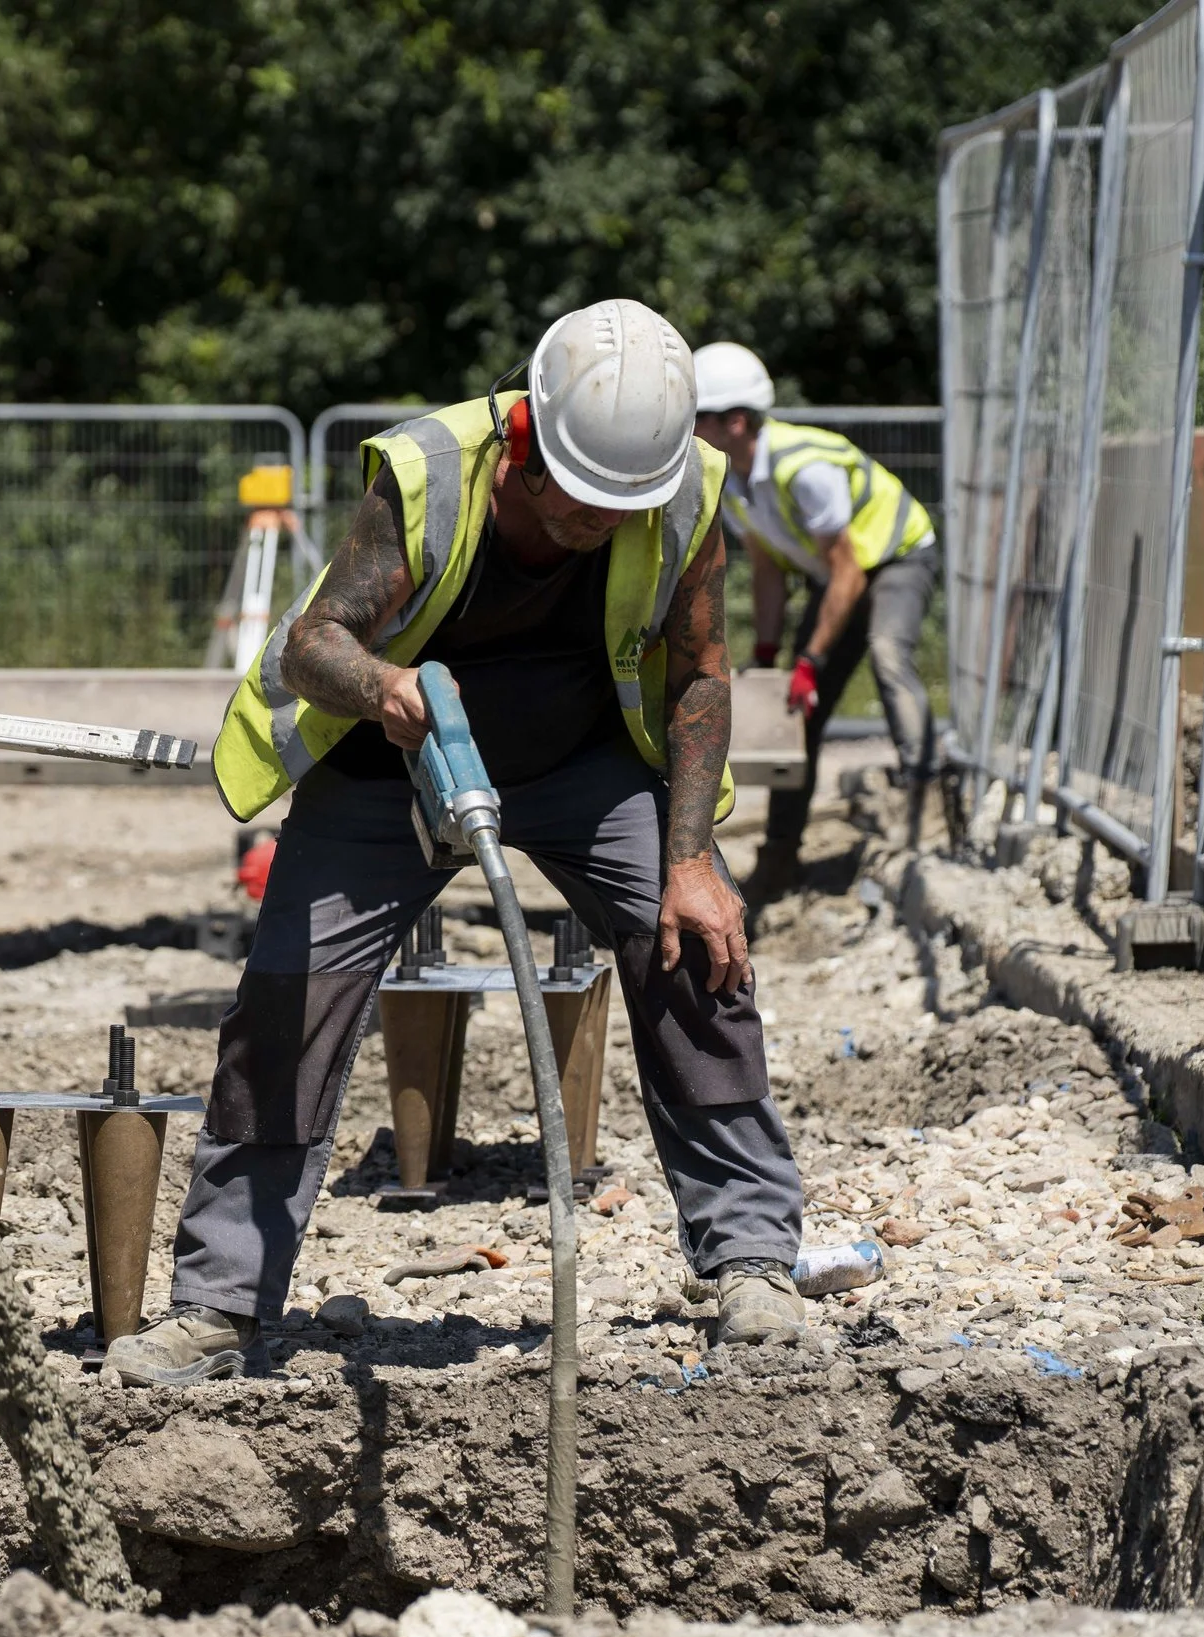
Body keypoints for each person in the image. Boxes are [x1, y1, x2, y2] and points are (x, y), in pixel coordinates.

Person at [106, 299, 808, 1387]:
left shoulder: (683, 488)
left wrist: (686, 863)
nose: (599, 523)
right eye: (581, 502)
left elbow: (704, 667)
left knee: (694, 946)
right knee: (288, 1000)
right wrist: (382, 686)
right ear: (528, 445)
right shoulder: (428, 473)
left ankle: (752, 1258)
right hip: (392, 764)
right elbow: (311, 646)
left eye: (619, 506)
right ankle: (219, 1302)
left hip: (582, 762)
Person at [690, 342, 939, 893]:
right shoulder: (731, 479)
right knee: (796, 715)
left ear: (735, 421)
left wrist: (810, 659)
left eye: (698, 416)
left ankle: (925, 790)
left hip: (897, 556)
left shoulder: (806, 469)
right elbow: (767, 571)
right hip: (840, 573)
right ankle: (780, 858)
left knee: (886, 651)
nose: (690, 428)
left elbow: (848, 573)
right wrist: (768, 655)